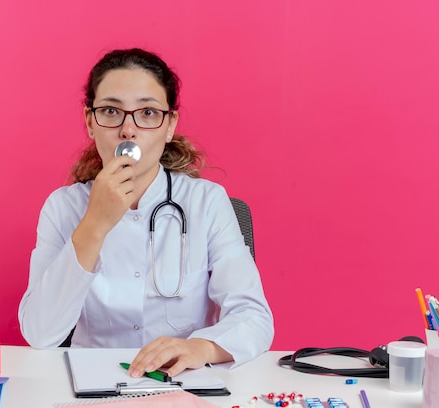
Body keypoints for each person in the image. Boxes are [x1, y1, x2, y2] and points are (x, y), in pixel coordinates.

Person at [18, 48, 274, 378]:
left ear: (169, 126)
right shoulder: (62, 207)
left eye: (148, 113)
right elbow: (40, 333)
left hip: (182, 383)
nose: (128, 130)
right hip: (94, 384)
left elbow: (254, 317)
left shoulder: (206, 202)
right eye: (111, 111)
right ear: (90, 123)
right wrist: (95, 223)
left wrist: (202, 347)